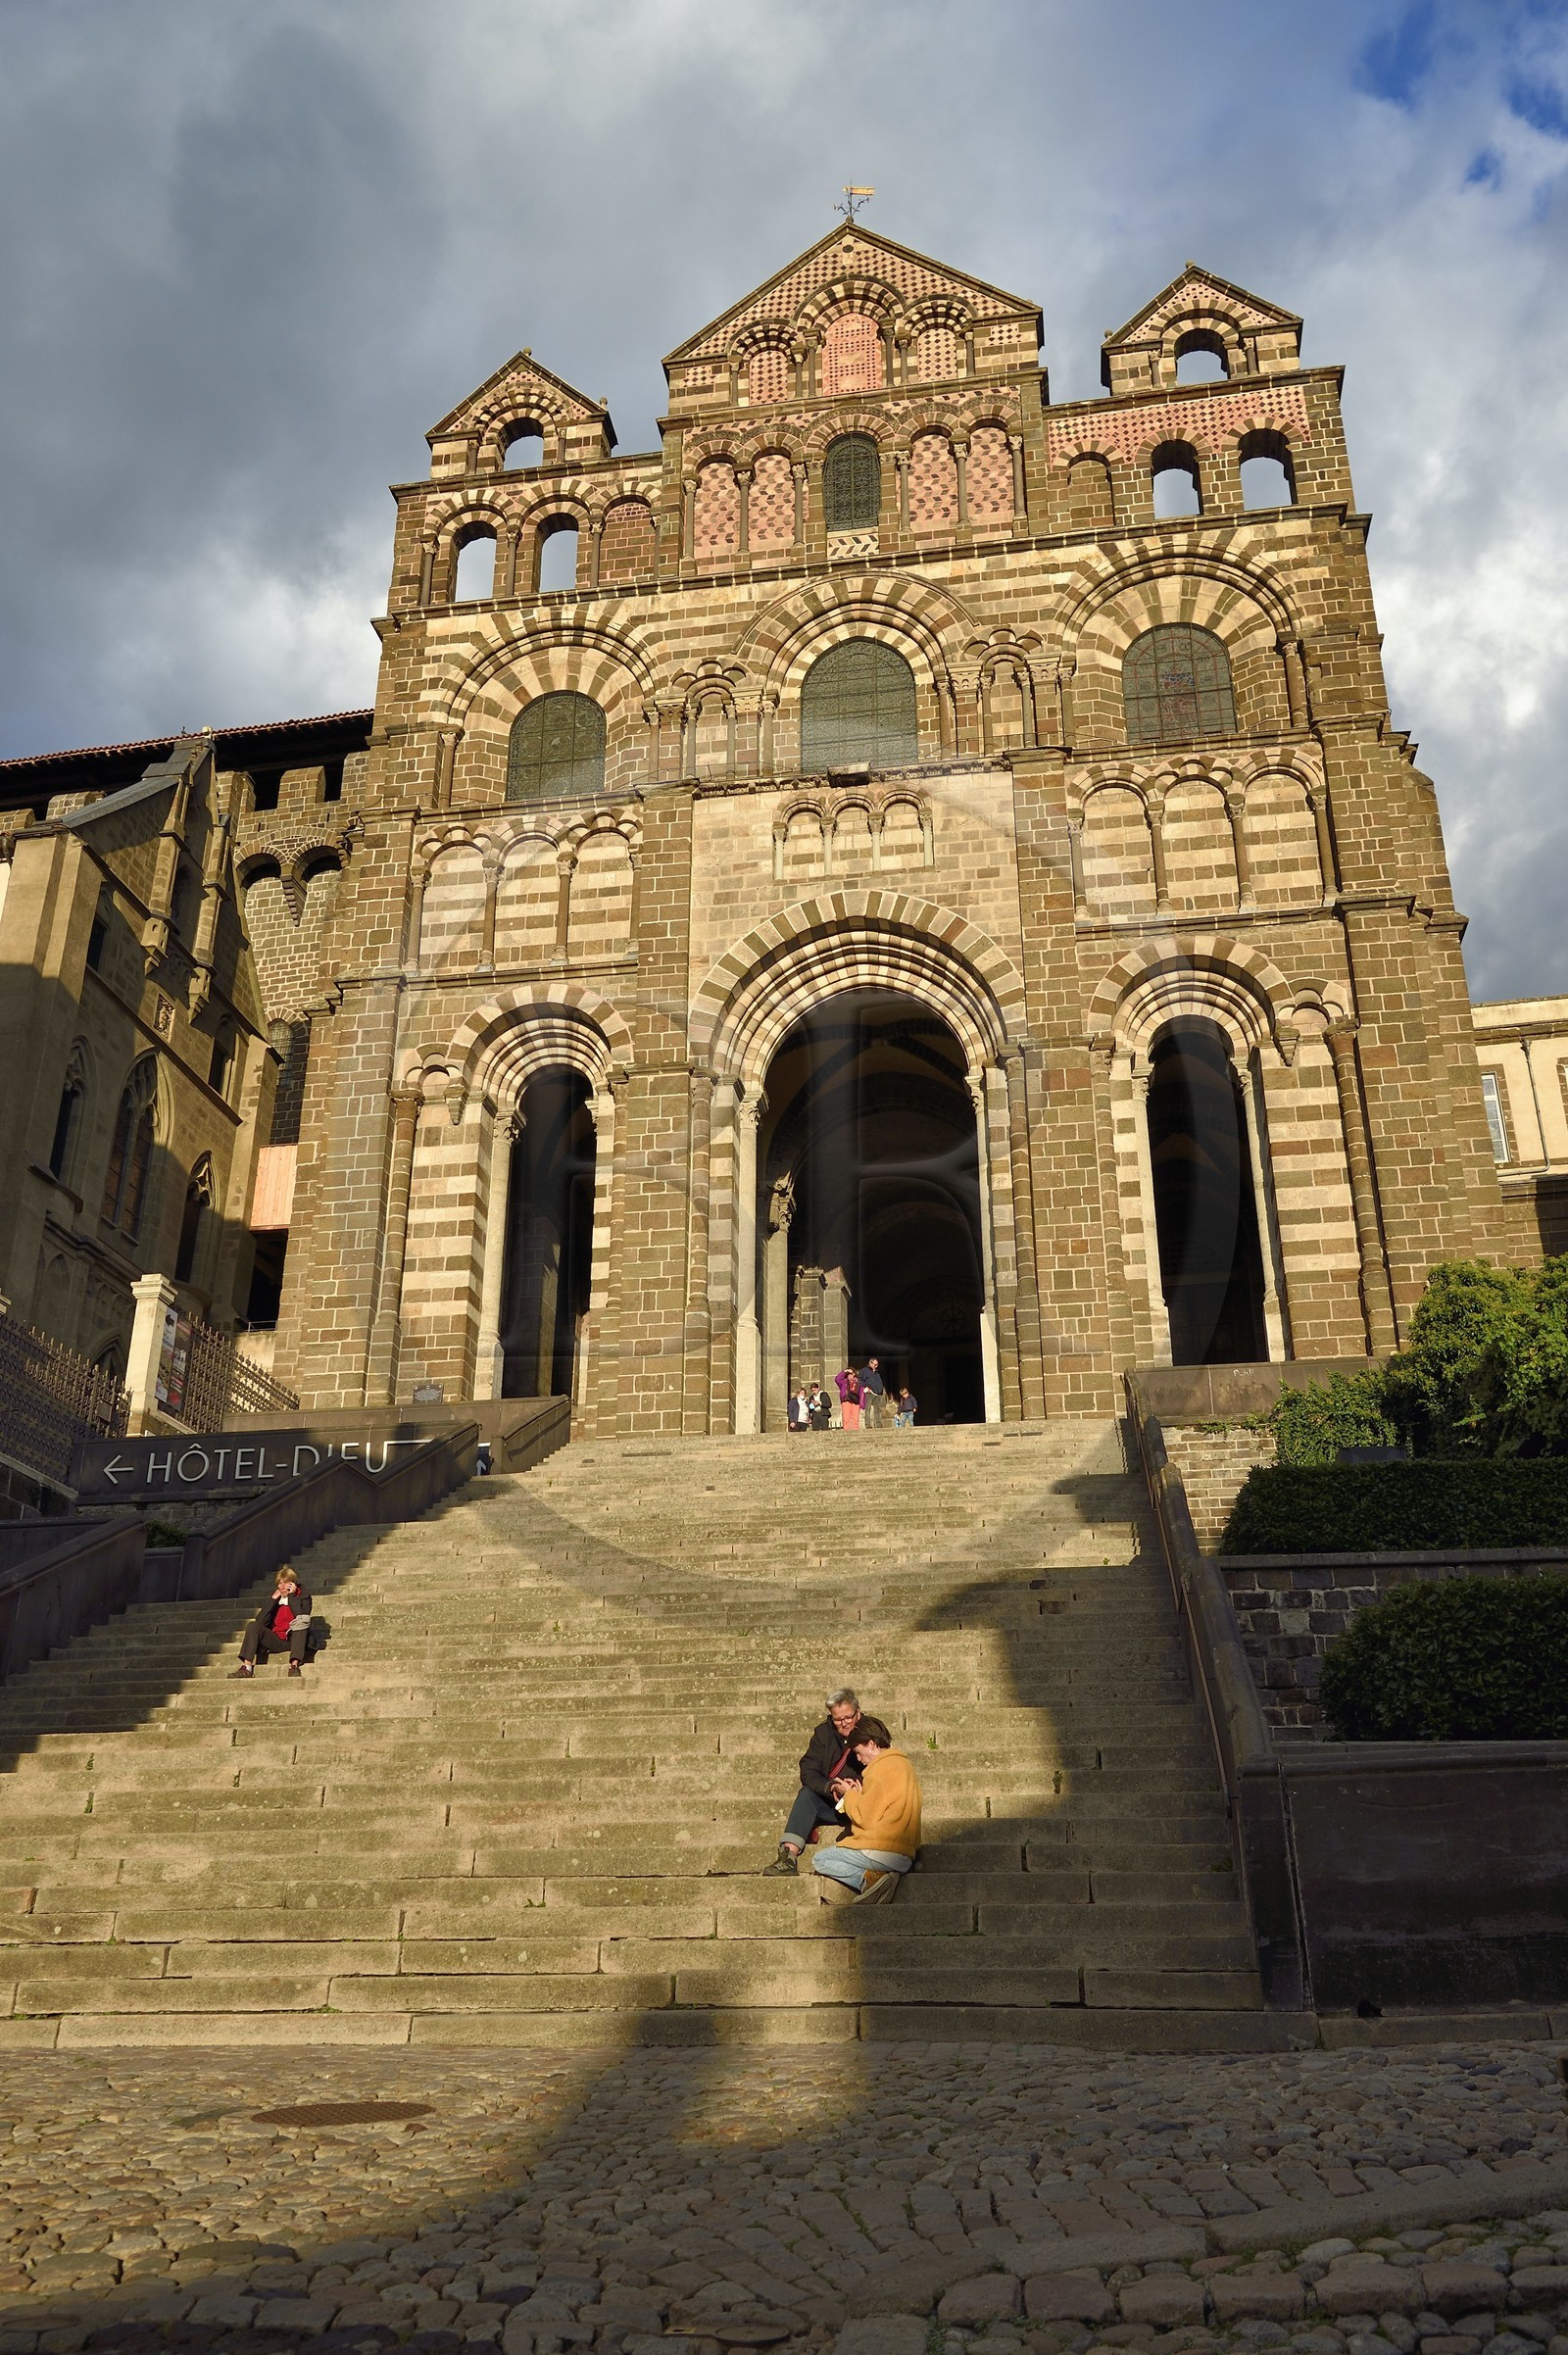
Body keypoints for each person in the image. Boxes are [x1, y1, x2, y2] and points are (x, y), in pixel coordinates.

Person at [811, 1716, 922, 1905]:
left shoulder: (877, 1771)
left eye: (858, 1752)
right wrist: (861, 1795)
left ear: (871, 1744)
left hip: (882, 1851)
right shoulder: (904, 1765)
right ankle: (880, 1877)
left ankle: (869, 1881)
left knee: (821, 1859)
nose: (858, 1759)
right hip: (906, 1852)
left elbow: (866, 1818)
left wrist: (849, 1796)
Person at [760, 1688, 866, 1874]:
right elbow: (808, 1770)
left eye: (848, 1717)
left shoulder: (872, 1731)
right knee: (806, 1795)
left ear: (857, 1713)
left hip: (863, 1801)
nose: (844, 1724)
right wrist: (831, 1787)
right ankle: (788, 1856)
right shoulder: (823, 1733)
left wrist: (855, 1789)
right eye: (838, 1720)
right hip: (832, 1801)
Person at [231, 1566, 312, 1680]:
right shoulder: (276, 1599)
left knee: (301, 1623)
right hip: (276, 1640)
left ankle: (294, 1666)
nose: (282, 1587)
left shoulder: (303, 1597)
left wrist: (291, 1597)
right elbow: (260, 1622)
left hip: (295, 1639)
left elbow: (300, 1615)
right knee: (253, 1626)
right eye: (280, 1583)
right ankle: (247, 1667)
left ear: (293, 1584)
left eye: (286, 1583)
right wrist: (272, 1600)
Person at [858, 1355, 886, 1429]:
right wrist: (866, 1387)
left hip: (877, 1393)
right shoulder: (864, 1371)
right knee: (868, 1409)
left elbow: (879, 1382)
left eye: (877, 1365)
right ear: (870, 1363)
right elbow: (860, 1381)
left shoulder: (877, 1373)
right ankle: (868, 1424)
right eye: (875, 1364)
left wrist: (880, 1391)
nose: (876, 1366)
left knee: (878, 1410)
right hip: (869, 1392)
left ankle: (879, 1424)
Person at [834, 1365, 862, 1431]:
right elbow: (837, 1379)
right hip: (846, 1401)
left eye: (851, 1374)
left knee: (855, 1419)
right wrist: (845, 1371)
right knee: (846, 1419)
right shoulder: (843, 1382)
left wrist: (862, 1404)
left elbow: (862, 1394)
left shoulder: (859, 1383)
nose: (849, 1376)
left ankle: (855, 1431)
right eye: (848, 1374)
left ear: (854, 1374)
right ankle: (846, 1431)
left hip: (856, 1401)